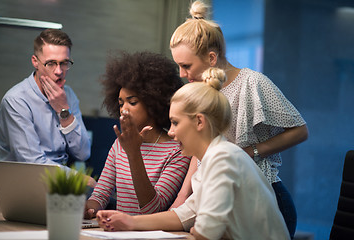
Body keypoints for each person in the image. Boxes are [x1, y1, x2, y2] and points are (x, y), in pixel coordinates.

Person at [95, 67, 290, 240]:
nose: (171, 132)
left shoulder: (223, 159)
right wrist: (129, 222)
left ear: (199, 121)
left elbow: (205, 233)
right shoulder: (213, 160)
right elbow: (183, 216)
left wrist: (200, 233)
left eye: (175, 123)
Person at [168, 1, 309, 238]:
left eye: (186, 66)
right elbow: (199, 147)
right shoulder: (201, 92)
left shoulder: (252, 83)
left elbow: (300, 130)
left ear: (212, 58)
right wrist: (184, 196)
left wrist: (251, 151)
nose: (182, 74)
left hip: (264, 201)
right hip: (223, 199)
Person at [84, 51, 191, 219]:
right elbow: (101, 194)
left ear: (153, 102)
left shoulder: (177, 150)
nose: (124, 109)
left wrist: (134, 154)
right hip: (119, 232)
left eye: (132, 102)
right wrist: (87, 208)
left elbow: (153, 209)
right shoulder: (120, 144)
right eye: (120, 104)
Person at [0, 29, 91, 173]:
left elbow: (83, 153)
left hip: (57, 183)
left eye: (64, 63)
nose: (59, 71)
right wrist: (77, 178)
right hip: (23, 184)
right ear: (35, 62)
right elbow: (32, 163)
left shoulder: (69, 95)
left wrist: (63, 110)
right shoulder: (16, 101)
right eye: (51, 63)